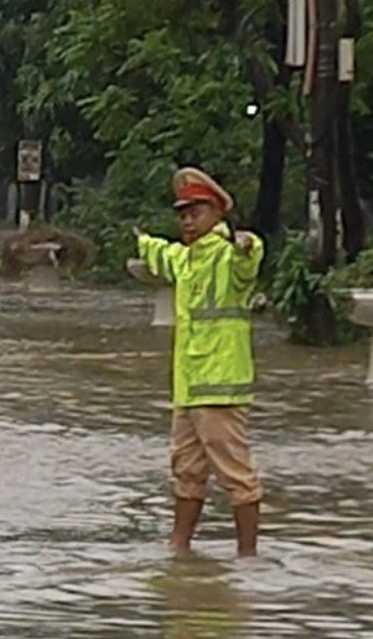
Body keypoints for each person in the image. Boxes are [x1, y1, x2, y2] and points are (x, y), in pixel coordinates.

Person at [134, 167, 264, 558]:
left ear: (217, 214)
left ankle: (247, 556)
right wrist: (142, 242)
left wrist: (246, 246)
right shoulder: (187, 260)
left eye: (196, 211)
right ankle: (179, 547)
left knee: (236, 474)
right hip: (188, 390)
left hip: (220, 390)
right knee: (186, 470)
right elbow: (162, 253)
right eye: (183, 213)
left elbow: (248, 259)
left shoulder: (227, 258)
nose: (188, 220)